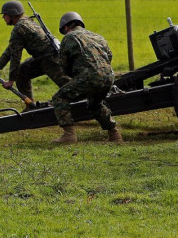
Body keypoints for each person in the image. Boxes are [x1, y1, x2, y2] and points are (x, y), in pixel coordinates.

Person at [50, 11, 123, 144]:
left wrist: (77, 74)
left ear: (66, 27)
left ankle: (69, 135)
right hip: (108, 78)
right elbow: (109, 56)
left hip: (89, 78)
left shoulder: (69, 37)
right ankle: (115, 134)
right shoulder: (97, 36)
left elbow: (64, 67)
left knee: (59, 97)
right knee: (95, 104)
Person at [0, 0, 70, 104]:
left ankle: (86, 104)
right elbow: (11, 50)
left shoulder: (19, 28)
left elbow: (15, 57)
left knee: (68, 86)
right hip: (41, 58)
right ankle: (30, 105)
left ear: (12, 15)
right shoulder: (27, 21)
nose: (3, 17)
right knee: (21, 72)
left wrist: (10, 81)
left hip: (50, 59)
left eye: (5, 15)